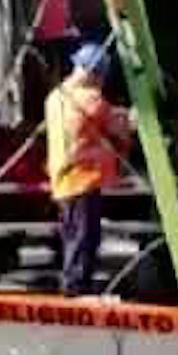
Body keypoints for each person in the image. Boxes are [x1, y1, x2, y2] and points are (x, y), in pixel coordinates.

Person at [44, 41, 131, 298]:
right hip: (83, 179)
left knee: (72, 237)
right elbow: (118, 129)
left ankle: (72, 285)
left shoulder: (55, 97)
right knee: (85, 239)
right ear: (95, 73)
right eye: (101, 75)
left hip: (62, 179)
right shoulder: (92, 100)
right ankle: (76, 291)